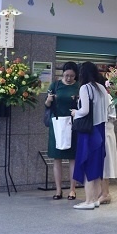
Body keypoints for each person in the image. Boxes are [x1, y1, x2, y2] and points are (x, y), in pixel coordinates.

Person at [70, 61, 110, 210]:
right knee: (96, 166)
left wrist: (75, 112)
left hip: (89, 131)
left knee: (86, 164)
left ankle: (88, 201)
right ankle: (94, 199)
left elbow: (85, 110)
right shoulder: (102, 88)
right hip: (101, 129)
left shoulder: (85, 88)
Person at [44, 61, 80, 200]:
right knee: (57, 157)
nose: (69, 78)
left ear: (76, 75)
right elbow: (47, 105)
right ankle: (58, 190)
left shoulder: (79, 87)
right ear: (62, 74)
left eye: (72, 76)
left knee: (72, 158)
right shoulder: (55, 85)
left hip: (73, 125)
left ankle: (72, 190)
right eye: (66, 75)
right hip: (57, 124)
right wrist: (49, 100)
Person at [98, 90, 117, 204]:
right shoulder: (106, 96)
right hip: (105, 129)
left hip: (104, 129)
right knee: (103, 162)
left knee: (105, 162)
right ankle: (103, 191)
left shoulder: (105, 96)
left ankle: (105, 193)